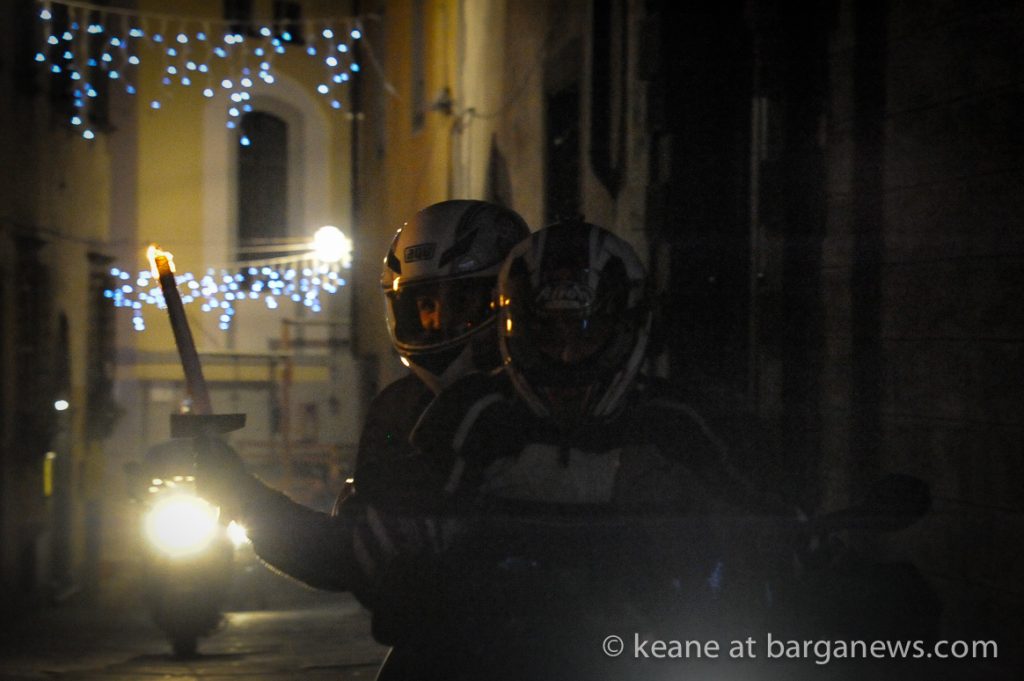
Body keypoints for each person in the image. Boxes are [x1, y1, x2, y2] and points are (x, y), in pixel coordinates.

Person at [352, 218, 796, 680]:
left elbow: (771, 517)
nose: (566, 354)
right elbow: (404, 519)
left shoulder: (681, 421)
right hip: (500, 652)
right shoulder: (471, 413)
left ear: (625, 329)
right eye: (547, 333)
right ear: (515, 329)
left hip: (648, 644)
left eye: (585, 332)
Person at [192, 200, 530, 634]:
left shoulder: (541, 397)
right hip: (442, 646)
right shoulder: (399, 410)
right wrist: (244, 496)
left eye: (460, 301)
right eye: (423, 304)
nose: (438, 321)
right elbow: (349, 552)